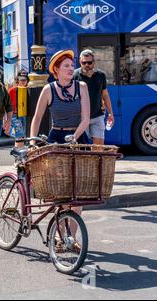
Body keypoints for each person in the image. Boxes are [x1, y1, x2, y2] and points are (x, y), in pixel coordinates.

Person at [30, 50, 91, 245]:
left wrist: (74, 136)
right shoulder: (48, 90)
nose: (71, 68)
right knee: (61, 191)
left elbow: (86, 118)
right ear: (56, 70)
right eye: (66, 66)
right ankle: (58, 233)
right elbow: (37, 118)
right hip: (56, 138)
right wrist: (32, 142)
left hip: (79, 138)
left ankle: (71, 237)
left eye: (72, 65)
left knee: (79, 192)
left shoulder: (81, 86)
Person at [74, 49, 114, 145]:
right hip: (81, 117)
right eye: (84, 62)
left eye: (89, 62)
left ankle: (98, 160)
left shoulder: (101, 75)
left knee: (99, 146)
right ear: (80, 62)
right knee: (82, 147)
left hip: (97, 115)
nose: (87, 65)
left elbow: (105, 95)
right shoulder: (74, 75)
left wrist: (111, 113)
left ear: (94, 62)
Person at [8, 71, 29, 148]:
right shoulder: (12, 90)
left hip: (25, 115)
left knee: (21, 136)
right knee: (19, 136)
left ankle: (18, 153)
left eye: (25, 80)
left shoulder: (28, 90)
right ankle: (19, 155)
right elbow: (6, 105)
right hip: (15, 115)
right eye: (22, 80)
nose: (24, 82)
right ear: (17, 80)